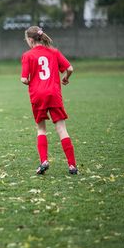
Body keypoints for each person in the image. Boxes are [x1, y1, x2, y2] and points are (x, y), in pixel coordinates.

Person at [20, 26, 78, 175]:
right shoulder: (54, 52)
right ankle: (72, 166)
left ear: (31, 40)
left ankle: (44, 161)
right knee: (62, 129)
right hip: (54, 93)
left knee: (41, 129)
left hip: (38, 95)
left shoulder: (28, 55)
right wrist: (65, 78)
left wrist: (29, 81)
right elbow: (70, 68)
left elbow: (24, 79)